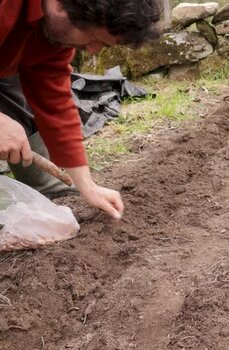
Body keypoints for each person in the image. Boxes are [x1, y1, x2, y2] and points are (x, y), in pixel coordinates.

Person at [0, 0, 161, 220]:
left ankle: (48, 191)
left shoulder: (53, 34)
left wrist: (88, 186)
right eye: (94, 38)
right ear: (61, 6)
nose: (93, 50)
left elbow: (54, 100)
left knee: (17, 105)